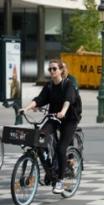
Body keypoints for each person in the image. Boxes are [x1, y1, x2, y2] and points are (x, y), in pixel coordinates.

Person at [20, 59, 79, 194]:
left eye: (54, 69)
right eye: (50, 69)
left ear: (61, 71)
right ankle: (50, 170)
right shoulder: (49, 86)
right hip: (53, 117)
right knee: (40, 136)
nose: (51, 71)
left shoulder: (68, 84)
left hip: (69, 119)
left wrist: (63, 112)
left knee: (60, 148)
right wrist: (26, 108)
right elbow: (39, 99)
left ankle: (60, 181)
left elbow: (68, 100)